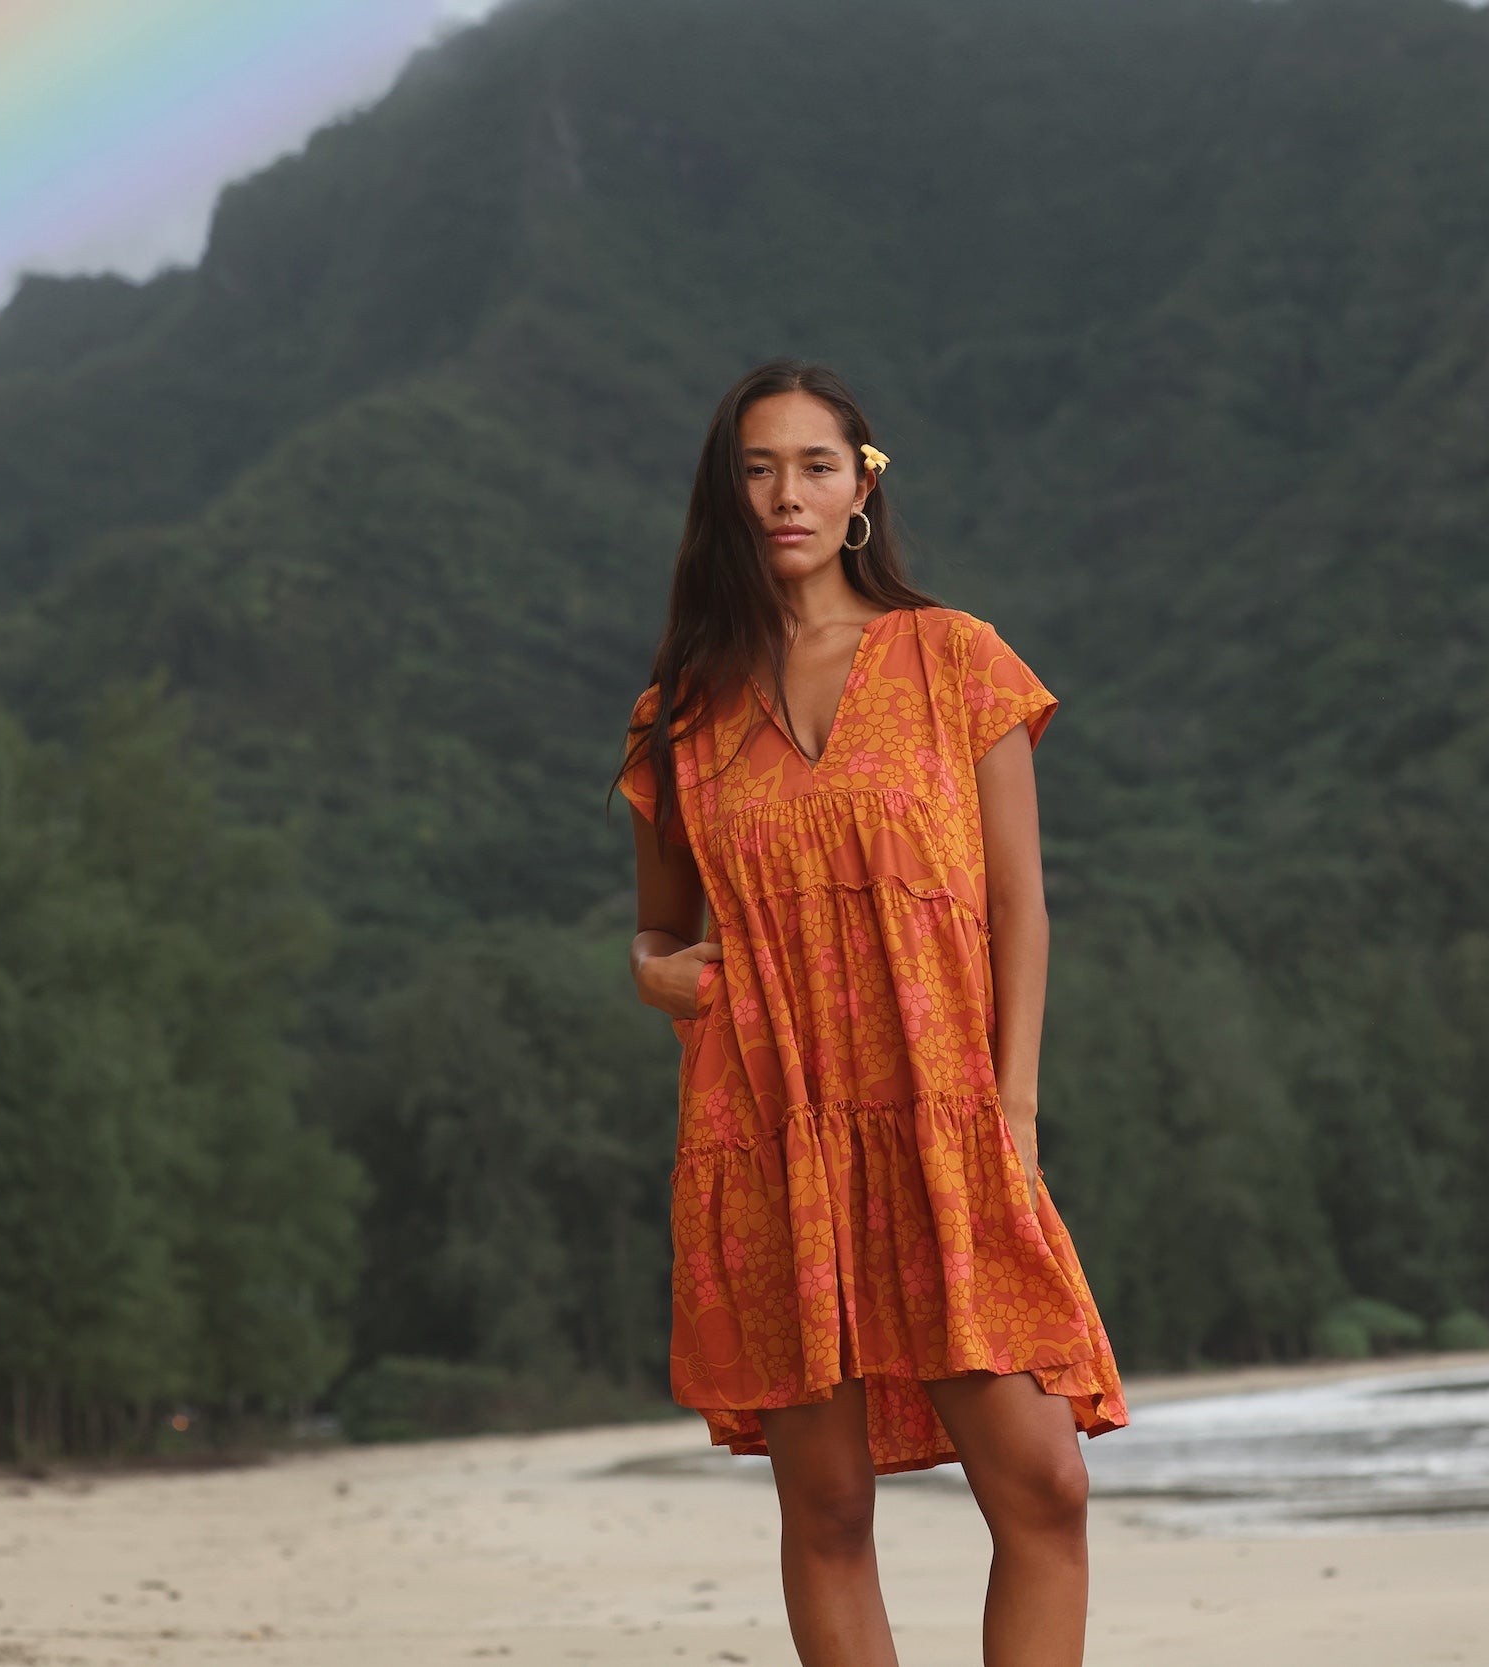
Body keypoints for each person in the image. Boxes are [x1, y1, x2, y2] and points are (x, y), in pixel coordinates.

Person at [619, 360, 1127, 1666]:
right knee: (829, 1509)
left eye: (814, 465)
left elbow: (1021, 907)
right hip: (773, 1127)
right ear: (723, 499)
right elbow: (663, 928)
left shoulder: (955, 658)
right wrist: (651, 971)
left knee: (1043, 1487)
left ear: (861, 488)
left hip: (941, 1114)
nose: (784, 492)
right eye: (755, 468)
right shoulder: (681, 713)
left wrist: (1012, 1109)